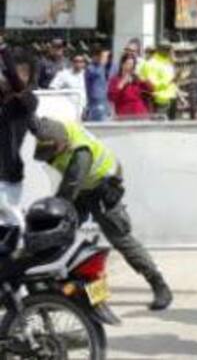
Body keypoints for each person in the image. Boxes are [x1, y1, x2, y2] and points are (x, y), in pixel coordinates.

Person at [31, 116, 173, 310]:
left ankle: (159, 285)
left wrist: (55, 215)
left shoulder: (81, 154)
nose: (49, 158)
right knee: (59, 235)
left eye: (51, 153)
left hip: (102, 189)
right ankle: (55, 292)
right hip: (82, 188)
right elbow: (30, 116)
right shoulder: (51, 130)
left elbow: (67, 192)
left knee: (121, 239)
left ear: (61, 143)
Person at [0, 49, 38, 210]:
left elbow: (16, 83)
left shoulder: (28, 102)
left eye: (23, 74)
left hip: (9, 178)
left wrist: (3, 50)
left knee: (11, 228)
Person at [139, 43, 179, 119]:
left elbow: (172, 80)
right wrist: (170, 81)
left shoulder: (168, 62)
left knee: (172, 128)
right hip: (160, 101)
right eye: (171, 51)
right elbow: (152, 85)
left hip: (171, 98)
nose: (172, 53)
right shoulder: (151, 63)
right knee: (160, 128)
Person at [108, 53, 152, 119]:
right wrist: (121, 84)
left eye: (132, 64)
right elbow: (111, 97)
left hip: (139, 114)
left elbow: (150, 90)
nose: (130, 66)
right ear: (122, 64)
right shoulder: (115, 80)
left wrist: (146, 81)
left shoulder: (137, 78)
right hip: (124, 115)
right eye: (128, 63)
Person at [84, 50, 112, 121]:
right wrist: (102, 64)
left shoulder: (108, 67)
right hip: (95, 101)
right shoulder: (90, 68)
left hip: (106, 101)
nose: (101, 58)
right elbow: (95, 74)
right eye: (100, 56)